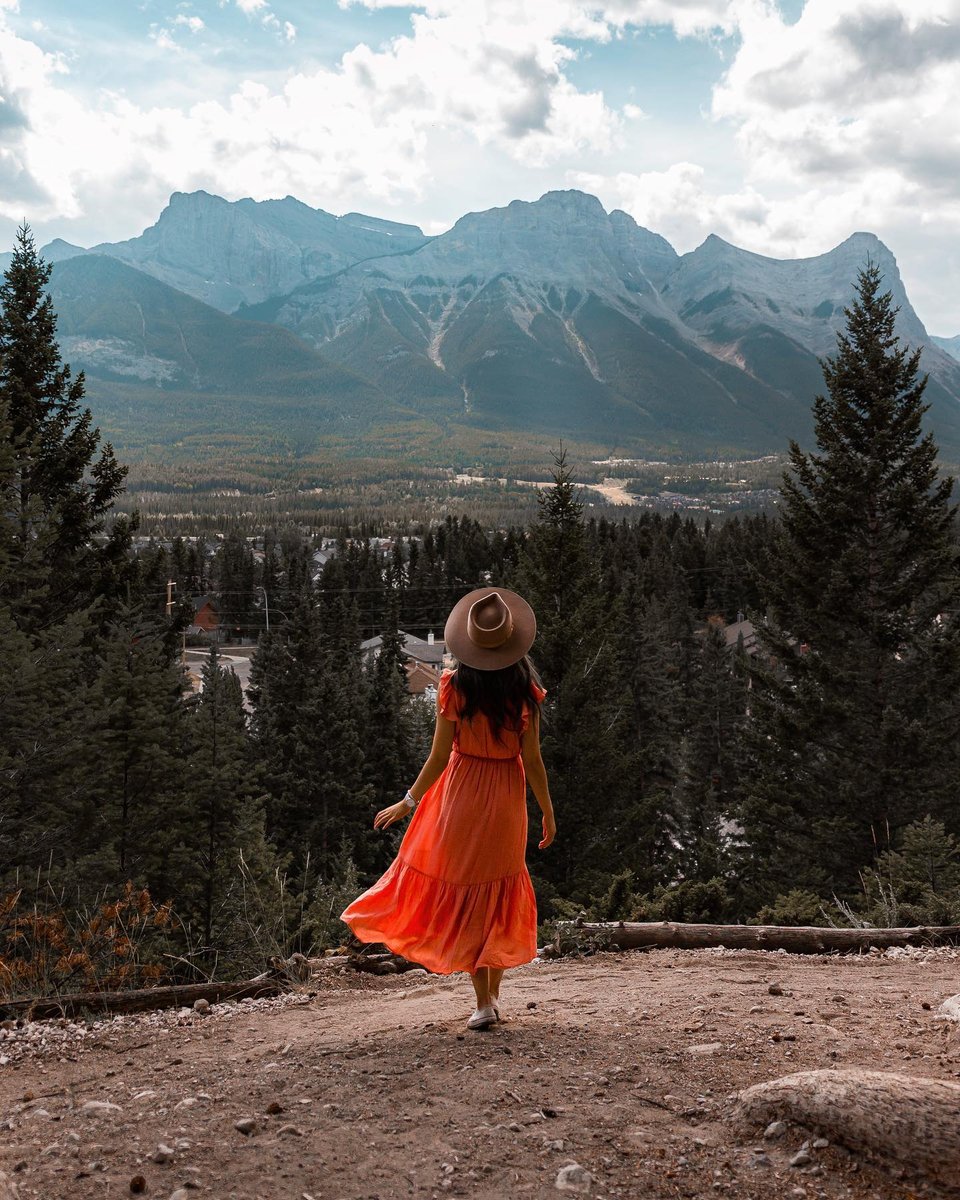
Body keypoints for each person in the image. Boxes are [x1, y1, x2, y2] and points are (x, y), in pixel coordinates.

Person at [340, 587, 556, 1031]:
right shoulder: (524, 693)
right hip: (506, 798)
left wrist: (409, 801)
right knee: (499, 890)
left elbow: (439, 757)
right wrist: (548, 813)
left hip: (460, 797)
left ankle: (484, 1003)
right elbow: (533, 761)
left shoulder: (455, 687)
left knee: (471, 893)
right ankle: (491, 998)